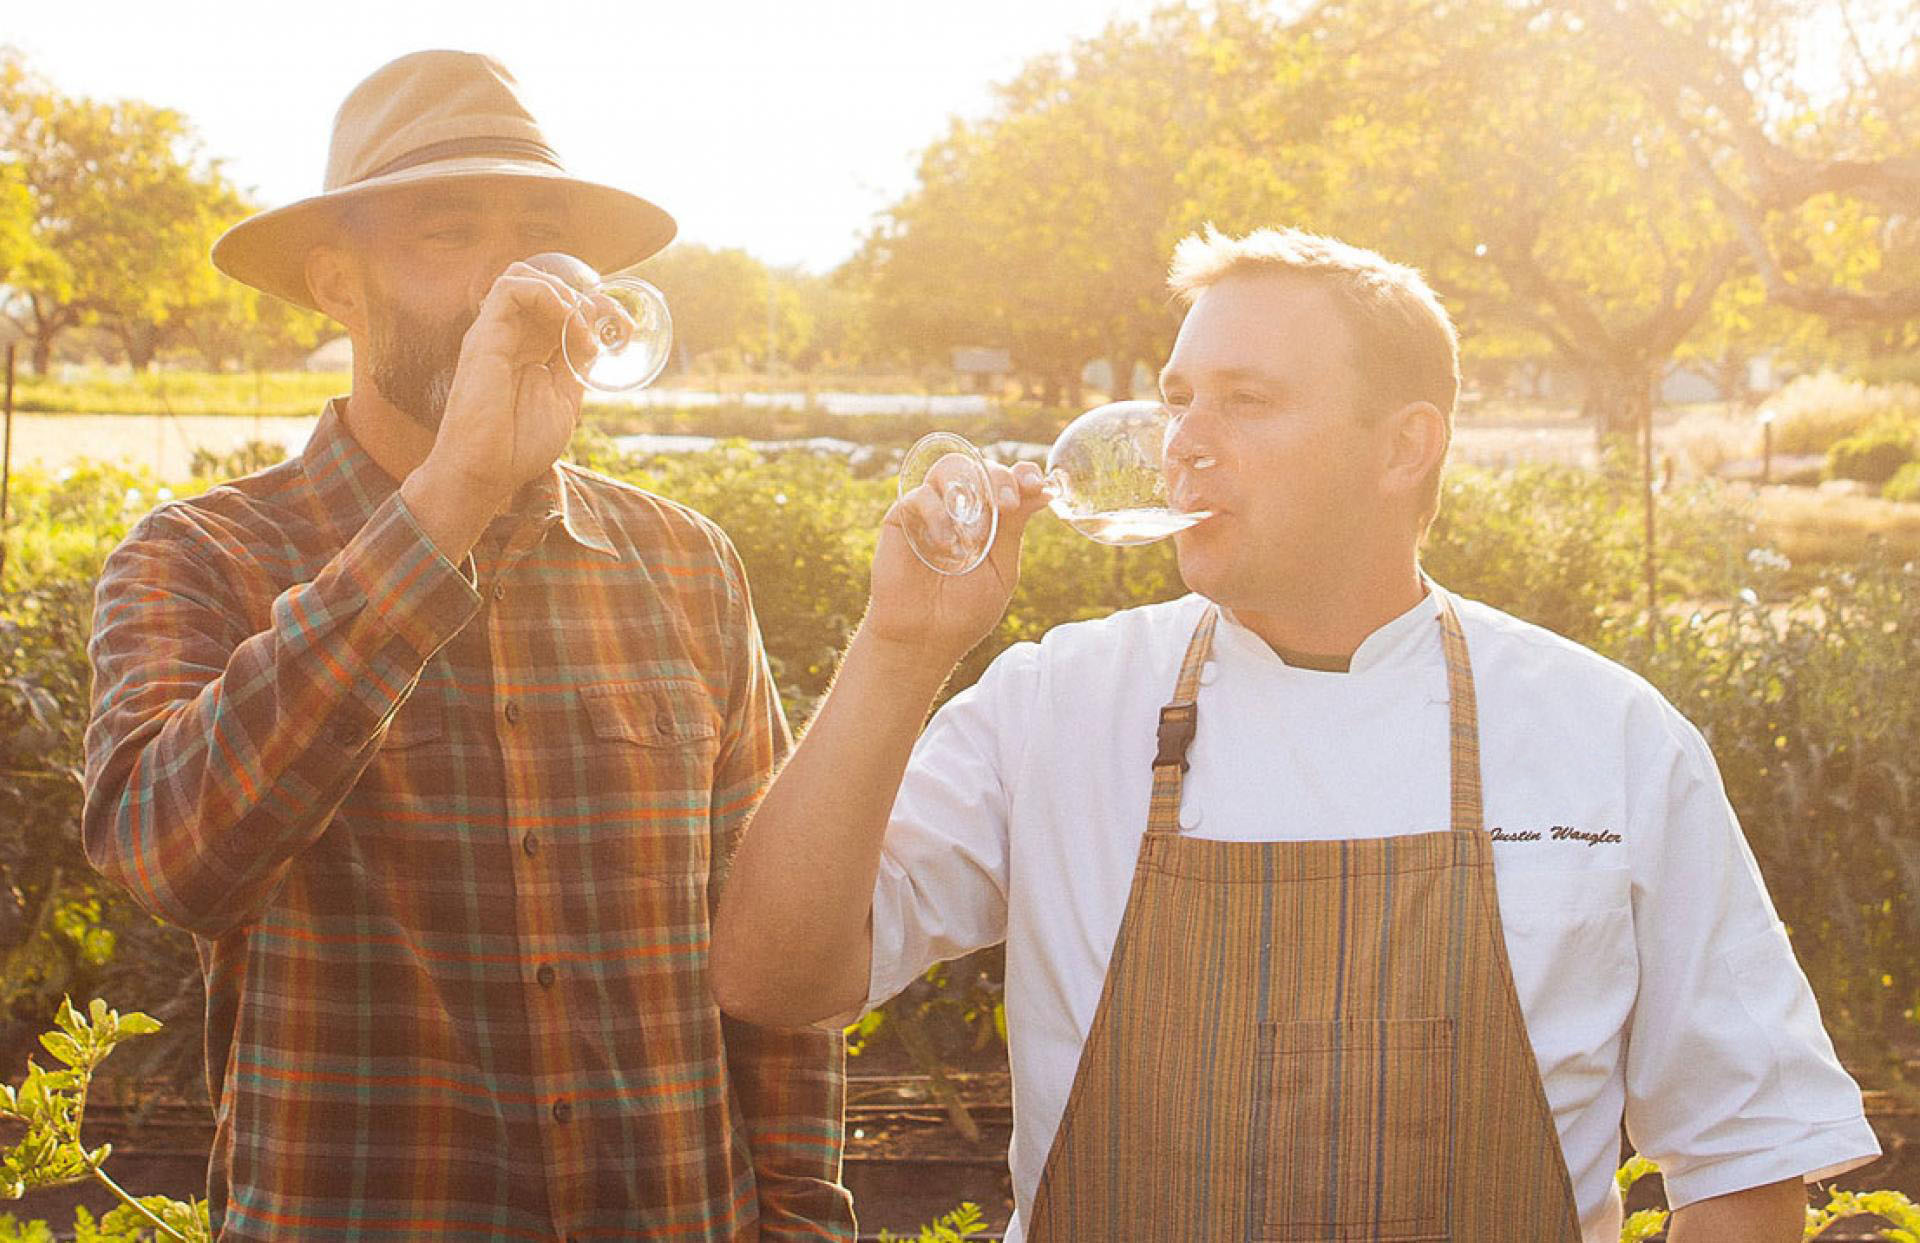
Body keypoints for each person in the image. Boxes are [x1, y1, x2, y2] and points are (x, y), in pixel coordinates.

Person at [709, 226, 1882, 1242]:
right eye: (1178, 398)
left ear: (1404, 446)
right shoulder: (1056, 703)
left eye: (1246, 400)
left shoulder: (1609, 736)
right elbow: (774, 973)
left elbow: (1746, 1162)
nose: (1184, 440)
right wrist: (901, 647)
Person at [83, 50, 853, 1241]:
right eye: (453, 235)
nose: (514, 287)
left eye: (541, 243)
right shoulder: (201, 556)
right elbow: (171, 859)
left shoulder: (685, 563)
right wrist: (449, 497)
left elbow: (770, 958)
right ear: (337, 286)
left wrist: (802, 1223)